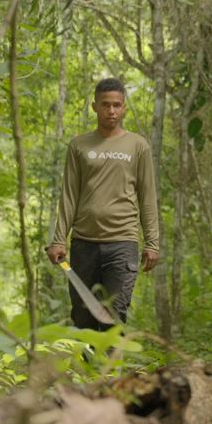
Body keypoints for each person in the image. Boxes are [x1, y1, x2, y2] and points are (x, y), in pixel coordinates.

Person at [45, 78, 160, 328]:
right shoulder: (79, 145)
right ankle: (88, 368)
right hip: (84, 243)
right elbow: (69, 194)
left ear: (124, 108)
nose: (111, 111)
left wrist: (152, 243)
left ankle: (109, 368)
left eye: (117, 105)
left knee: (114, 313)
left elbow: (147, 196)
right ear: (94, 106)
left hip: (123, 242)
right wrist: (58, 238)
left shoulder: (138, 146)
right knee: (83, 316)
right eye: (106, 105)